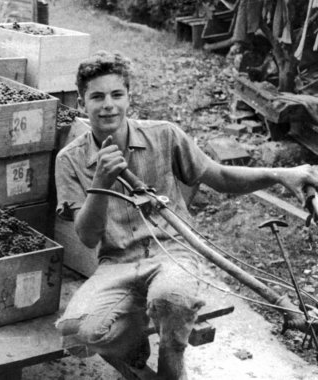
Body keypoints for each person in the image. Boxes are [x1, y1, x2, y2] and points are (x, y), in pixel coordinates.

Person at [54, 51, 318, 380]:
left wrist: (282, 174)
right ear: (82, 103)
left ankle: (170, 369)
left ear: (129, 98)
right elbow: (88, 237)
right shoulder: (69, 160)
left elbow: (220, 176)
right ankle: (138, 362)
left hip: (173, 255)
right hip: (116, 263)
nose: (108, 104)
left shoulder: (164, 134)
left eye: (116, 94)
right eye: (97, 96)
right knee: (79, 333)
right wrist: (100, 184)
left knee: (171, 300)